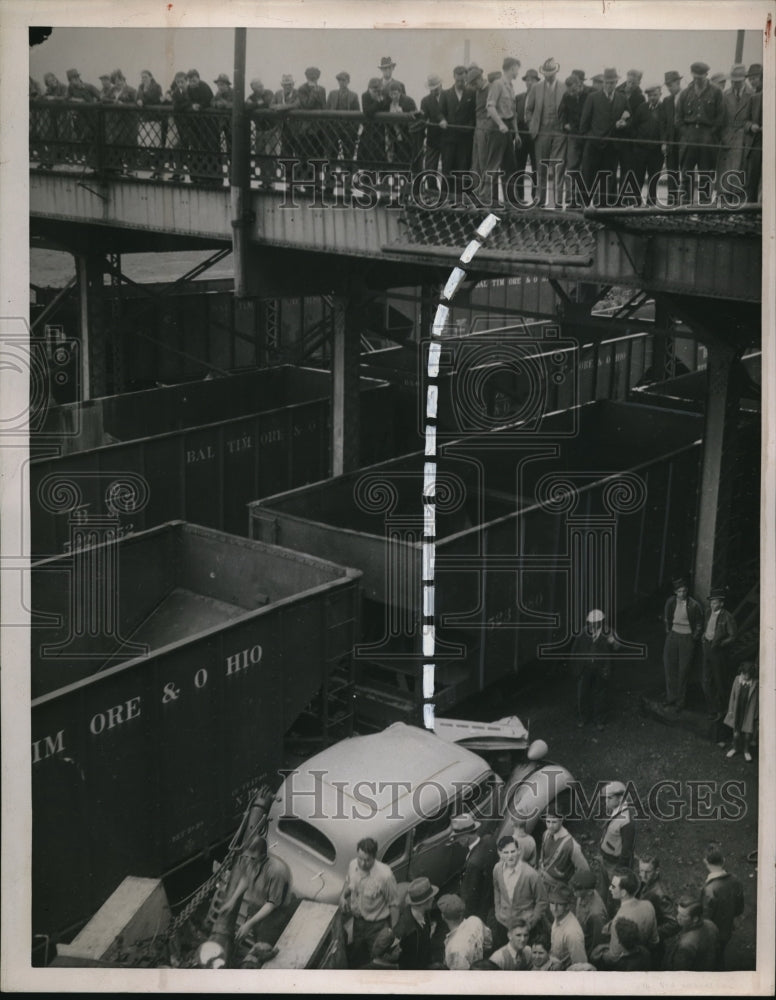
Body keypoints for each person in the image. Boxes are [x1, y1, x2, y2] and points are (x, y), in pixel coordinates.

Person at [214, 833, 294, 962]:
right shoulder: (249, 860)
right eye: (246, 857)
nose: (248, 861)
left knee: (265, 945)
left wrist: (249, 924)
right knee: (257, 937)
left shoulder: (276, 871)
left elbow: (271, 903)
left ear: (263, 856)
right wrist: (232, 900)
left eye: (252, 859)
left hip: (276, 913)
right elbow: (246, 878)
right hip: (257, 906)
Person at [340, 836, 399, 967]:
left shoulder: (385, 875)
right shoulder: (353, 865)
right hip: (358, 923)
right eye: (360, 859)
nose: (362, 863)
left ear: (374, 857)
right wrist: (343, 897)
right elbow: (348, 883)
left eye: (367, 860)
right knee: (357, 954)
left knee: (376, 959)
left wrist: (392, 932)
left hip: (377, 926)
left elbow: (394, 904)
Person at [579, 67, 631, 206]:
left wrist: (624, 124)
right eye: (607, 82)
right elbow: (583, 126)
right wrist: (591, 139)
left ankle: (603, 209)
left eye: (612, 82)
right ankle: (583, 208)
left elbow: (629, 119)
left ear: (616, 82)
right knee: (588, 178)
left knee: (608, 179)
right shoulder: (592, 98)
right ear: (603, 82)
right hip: (593, 147)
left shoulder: (622, 99)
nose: (609, 85)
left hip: (612, 148)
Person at [676, 61, 724, 204]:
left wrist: (710, 134)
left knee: (706, 175)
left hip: (707, 138)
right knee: (686, 174)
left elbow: (720, 117)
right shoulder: (685, 93)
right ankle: (685, 207)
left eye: (700, 77)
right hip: (688, 137)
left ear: (706, 75)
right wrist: (687, 134)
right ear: (692, 75)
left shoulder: (716, 92)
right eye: (695, 77)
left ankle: (704, 207)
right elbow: (678, 119)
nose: (697, 80)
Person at [593, 868, 658, 966]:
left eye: (613, 886)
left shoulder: (619, 922)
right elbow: (654, 941)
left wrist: (601, 955)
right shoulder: (648, 905)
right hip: (644, 954)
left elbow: (614, 957)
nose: (610, 888)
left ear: (623, 893)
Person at [492, 834, 547, 949]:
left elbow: (542, 901)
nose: (510, 856)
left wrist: (531, 923)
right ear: (499, 853)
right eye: (506, 852)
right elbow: (497, 889)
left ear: (519, 851)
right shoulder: (497, 869)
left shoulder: (531, 874)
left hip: (524, 928)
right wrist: (498, 912)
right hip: (504, 924)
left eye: (513, 851)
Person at [479, 57, 522, 205]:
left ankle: (511, 200)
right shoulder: (498, 84)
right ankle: (484, 197)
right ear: (512, 68)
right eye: (517, 69)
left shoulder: (510, 87)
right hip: (498, 128)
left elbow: (513, 113)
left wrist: (516, 133)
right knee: (493, 164)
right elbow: (490, 107)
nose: (518, 72)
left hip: (508, 129)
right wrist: (500, 124)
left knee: (510, 165)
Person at [525, 57, 566, 207]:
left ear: (556, 72)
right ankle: (540, 199)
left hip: (559, 133)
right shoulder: (536, 88)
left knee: (558, 167)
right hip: (541, 132)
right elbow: (528, 110)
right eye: (546, 73)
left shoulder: (564, 87)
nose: (548, 76)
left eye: (551, 73)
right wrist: (532, 125)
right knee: (540, 167)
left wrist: (565, 126)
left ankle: (557, 201)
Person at [571, 608, 621, 730]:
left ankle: (599, 720)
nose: (592, 625)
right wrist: (576, 667)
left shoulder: (608, 632)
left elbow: (618, 647)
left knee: (600, 694)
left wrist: (613, 642)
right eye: (591, 622)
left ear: (601, 622)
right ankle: (583, 718)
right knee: (582, 694)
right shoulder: (584, 632)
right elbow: (575, 649)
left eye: (595, 622)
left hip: (601, 668)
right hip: (585, 667)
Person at [700, 843, 744, 969]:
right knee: (720, 953)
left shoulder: (709, 889)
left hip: (713, 933)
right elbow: (739, 908)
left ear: (705, 861)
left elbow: (706, 917)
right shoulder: (735, 880)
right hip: (727, 929)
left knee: (711, 958)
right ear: (723, 860)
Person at [662, 576, 703, 711]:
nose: (682, 593)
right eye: (679, 591)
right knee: (669, 666)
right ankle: (671, 697)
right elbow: (667, 617)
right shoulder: (671, 602)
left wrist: (694, 637)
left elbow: (699, 623)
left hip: (687, 637)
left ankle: (680, 702)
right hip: (673, 635)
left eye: (684, 591)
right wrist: (668, 631)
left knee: (683, 670)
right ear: (675, 592)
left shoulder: (694, 605)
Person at [450, 812, 497, 923]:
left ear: (465, 838)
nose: (457, 841)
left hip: (481, 912)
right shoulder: (489, 840)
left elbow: (469, 898)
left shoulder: (473, 864)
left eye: (457, 838)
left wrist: (466, 919)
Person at [597, 780, 636, 914]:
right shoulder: (616, 810)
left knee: (615, 895)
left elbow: (627, 850)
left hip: (614, 865)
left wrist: (619, 871)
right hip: (605, 859)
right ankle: (602, 912)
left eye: (609, 798)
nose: (606, 801)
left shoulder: (627, 822)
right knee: (603, 890)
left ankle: (614, 916)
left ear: (620, 799)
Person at [716, 64, 752, 205]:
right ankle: (724, 206)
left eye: (738, 81)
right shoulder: (725, 95)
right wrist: (723, 136)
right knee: (725, 176)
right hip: (727, 139)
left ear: (744, 79)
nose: (735, 84)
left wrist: (746, 129)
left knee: (740, 176)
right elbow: (720, 118)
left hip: (744, 140)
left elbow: (754, 117)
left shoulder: (752, 94)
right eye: (733, 81)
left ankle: (739, 207)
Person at [700, 587, 738, 720]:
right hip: (707, 648)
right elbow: (707, 628)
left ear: (721, 603)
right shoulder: (708, 612)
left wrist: (721, 644)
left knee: (719, 681)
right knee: (705, 681)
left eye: (715, 602)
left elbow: (733, 636)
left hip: (718, 652)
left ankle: (721, 710)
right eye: (711, 602)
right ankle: (712, 709)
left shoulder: (727, 617)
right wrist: (704, 636)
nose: (712, 605)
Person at [439, 65, 476, 196]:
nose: (460, 83)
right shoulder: (445, 94)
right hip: (449, 138)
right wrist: (442, 120)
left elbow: (474, 114)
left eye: (463, 80)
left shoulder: (472, 93)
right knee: (447, 167)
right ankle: (445, 196)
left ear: (466, 78)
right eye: (458, 80)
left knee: (463, 168)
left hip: (465, 139)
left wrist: (469, 127)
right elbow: (440, 112)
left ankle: (462, 197)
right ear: (454, 77)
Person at [637, 856, 679, 965]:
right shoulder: (647, 883)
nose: (643, 875)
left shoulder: (660, 894)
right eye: (641, 870)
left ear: (657, 871)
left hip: (653, 946)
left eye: (648, 872)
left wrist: (652, 934)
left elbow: (674, 923)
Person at [394, 876, 438, 970]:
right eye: (431, 897)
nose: (434, 898)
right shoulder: (403, 928)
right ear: (424, 902)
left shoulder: (425, 912)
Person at [437, 894, 491, 970]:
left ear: (443, 916)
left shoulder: (454, 951)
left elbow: (460, 976)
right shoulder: (475, 920)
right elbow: (489, 943)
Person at [630, 83, 664, 204]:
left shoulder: (664, 108)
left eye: (655, 95)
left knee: (654, 177)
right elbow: (634, 125)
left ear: (660, 94)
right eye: (650, 96)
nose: (652, 98)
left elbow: (666, 127)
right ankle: (636, 201)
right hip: (641, 149)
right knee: (638, 176)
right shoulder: (642, 108)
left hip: (656, 150)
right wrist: (637, 140)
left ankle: (651, 202)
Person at [664, 898, 719, 971]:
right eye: (678, 913)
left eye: (683, 916)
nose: (678, 917)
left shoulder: (686, 945)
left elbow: (679, 971)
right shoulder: (711, 924)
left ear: (695, 919)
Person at [184, 68, 218, 186]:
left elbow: (208, 100)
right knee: (196, 148)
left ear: (198, 78)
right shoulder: (188, 89)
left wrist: (200, 106)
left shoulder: (204, 87)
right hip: (195, 124)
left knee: (208, 148)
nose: (192, 82)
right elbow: (186, 101)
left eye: (194, 79)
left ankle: (212, 177)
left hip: (208, 124)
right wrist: (192, 106)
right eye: (190, 80)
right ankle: (197, 175)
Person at [558, 74, 586, 207]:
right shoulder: (566, 96)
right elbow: (561, 113)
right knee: (571, 167)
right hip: (573, 136)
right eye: (569, 91)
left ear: (580, 85)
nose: (572, 93)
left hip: (586, 136)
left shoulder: (589, 94)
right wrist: (564, 124)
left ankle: (583, 199)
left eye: (574, 90)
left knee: (585, 167)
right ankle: (571, 199)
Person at [326, 70, 360, 180]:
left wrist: (353, 129)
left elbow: (357, 114)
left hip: (348, 129)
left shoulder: (354, 96)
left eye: (344, 80)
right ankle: (330, 181)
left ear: (348, 81)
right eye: (339, 80)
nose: (341, 82)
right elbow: (327, 110)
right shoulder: (332, 94)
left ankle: (348, 181)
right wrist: (329, 126)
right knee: (331, 154)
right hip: (333, 128)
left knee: (349, 155)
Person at [723, 660, 758, 761]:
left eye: (747, 674)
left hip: (749, 712)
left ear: (751, 674)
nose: (745, 676)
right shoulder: (737, 680)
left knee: (747, 734)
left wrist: (756, 714)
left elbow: (757, 701)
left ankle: (746, 751)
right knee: (736, 733)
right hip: (738, 710)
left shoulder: (755, 683)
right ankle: (735, 748)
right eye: (743, 673)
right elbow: (732, 696)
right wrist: (730, 709)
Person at [514, 68, 539, 204]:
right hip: (521, 135)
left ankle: (535, 197)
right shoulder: (519, 98)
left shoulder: (540, 98)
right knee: (519, 166)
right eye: (527, 80)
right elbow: (515, 116)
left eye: (532, 80)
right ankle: (519, 197)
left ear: (537, 82)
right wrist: (516, 135)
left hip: (535, 136)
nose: (529, 83)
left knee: (536, 167)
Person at [246, 78, 278, 185]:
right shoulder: (251, 96)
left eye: (261, 85)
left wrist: (255, 104)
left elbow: (268, 103)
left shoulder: (268, 93)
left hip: (271, 129)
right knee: (260, 155)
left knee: (271, 155)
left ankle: (271, 181)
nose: (261, 87)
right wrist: (258, 103)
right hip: (260, 130)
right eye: (258, 86)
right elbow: (247, 106)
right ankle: (265, 180)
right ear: (253, 88)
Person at [548, 883, 587, 968]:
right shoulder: (558, 917)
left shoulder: (572, 933)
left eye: (559, 904)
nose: (554, 908)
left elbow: (581, 967)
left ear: (567, 906)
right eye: (552, 903)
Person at [571, 869, 609, 956]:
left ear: (589, 892)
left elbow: (597, 944)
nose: (573, 890)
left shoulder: (596, 915)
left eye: (578, 888)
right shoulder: (583, 895)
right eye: (574, 887)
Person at [659, 70, 684, 205]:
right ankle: (672, 202)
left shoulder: (687, 97)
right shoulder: (666, 100)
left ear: (678, 82)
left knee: (686, 172)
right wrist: (664, 142)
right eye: (667, 85)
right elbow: (663, 123)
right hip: (671, 143)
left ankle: (685, 203)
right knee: (671, 172)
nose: (669, 88)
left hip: (684, 141)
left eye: (671, 84)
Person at [135, 69, 165, 177]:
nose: (143, 79)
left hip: (155, 119)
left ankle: (159, 170)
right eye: (142, 77)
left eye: (146, 77)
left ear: (151, 77)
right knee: (145, 143)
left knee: (156, 144)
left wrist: (142, 99)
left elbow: (152, 98)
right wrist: (139, 99)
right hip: (145, 119)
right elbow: (137, 97)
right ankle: (152, 168)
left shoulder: (157, 86)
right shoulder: (140, 86)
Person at [538, 809, 578, 889]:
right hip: (542, 878)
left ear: (561, 820)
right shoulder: (546, 834)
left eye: (554, 822)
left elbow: (582, 870)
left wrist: (569, 886)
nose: (550, 826)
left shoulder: (571, 845)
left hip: (557, 886)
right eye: (548, 821)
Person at [466, 66, 489, 185]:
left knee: (484, 161)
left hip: (486, 128)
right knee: (475, 162)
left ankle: (485, 191)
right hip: (478, 128)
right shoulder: (478, 91)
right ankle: (476, 190)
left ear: (480, 79)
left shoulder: (491, 89)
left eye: (474, 84)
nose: (474, 88)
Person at [744, 63, 762, 202]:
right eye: (750, 79)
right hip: (756, 143)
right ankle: (751, 209)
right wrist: (751, 126)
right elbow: (746, 121)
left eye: (754, 78)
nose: (752, 81)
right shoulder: (754, 98)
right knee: (752, 178)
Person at [360, 77, 388, 166]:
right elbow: (367, 112)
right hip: (368, 128)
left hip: (380, 128)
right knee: (366, 151)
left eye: (378, 90)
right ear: (369, 88)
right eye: (374, 90)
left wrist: (379, 102)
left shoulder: (383, 95)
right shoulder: (365, 95)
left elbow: (386, 109)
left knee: (379, 152)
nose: (376, 92)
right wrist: (378, 102)